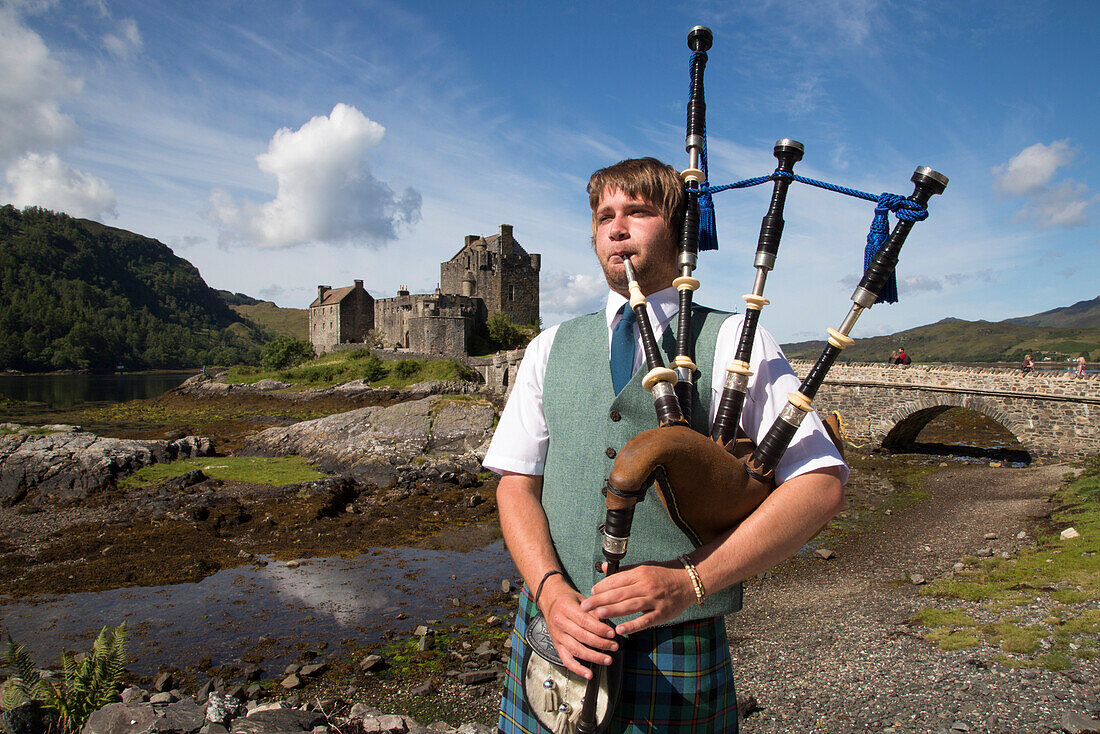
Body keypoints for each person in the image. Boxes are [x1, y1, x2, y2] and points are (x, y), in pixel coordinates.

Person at [484, 158, 847, 733]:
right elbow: (517, 484)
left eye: (639, 212)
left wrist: (690, 581)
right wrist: (551, 594)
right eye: (605, 216)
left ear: (679, 231)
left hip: (675, 646)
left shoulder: (733, 337)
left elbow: (820, 484)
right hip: (555, 630)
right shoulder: (549, 348)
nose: (617, 227)